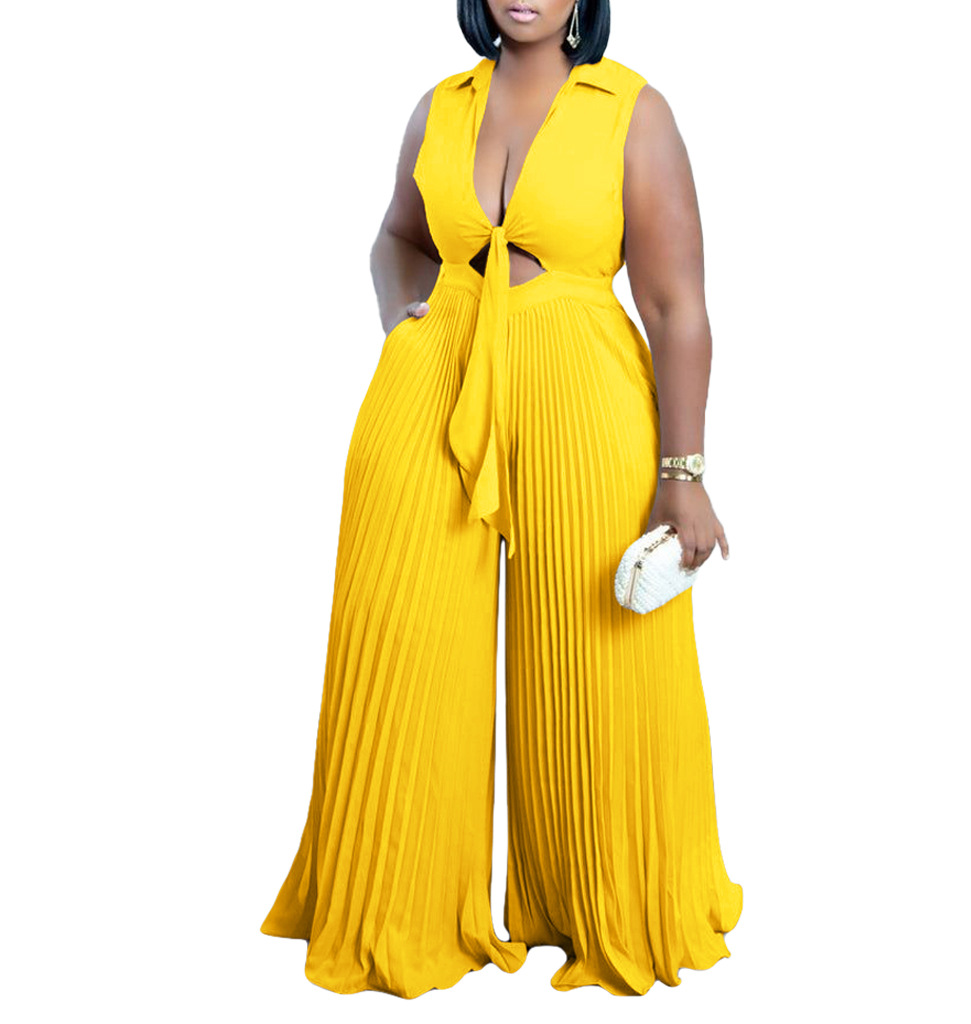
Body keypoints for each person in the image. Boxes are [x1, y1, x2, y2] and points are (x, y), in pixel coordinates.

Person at [260, 0, 742, 998]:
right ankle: (389, 911)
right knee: (398, 645)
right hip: (433, 382)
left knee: (598, 658)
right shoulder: (439, 107)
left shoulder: (631, 110)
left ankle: (604, 907)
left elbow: (675, 304)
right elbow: (396, 238)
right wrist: (406, 321)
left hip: (582, 389)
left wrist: (684, 474)